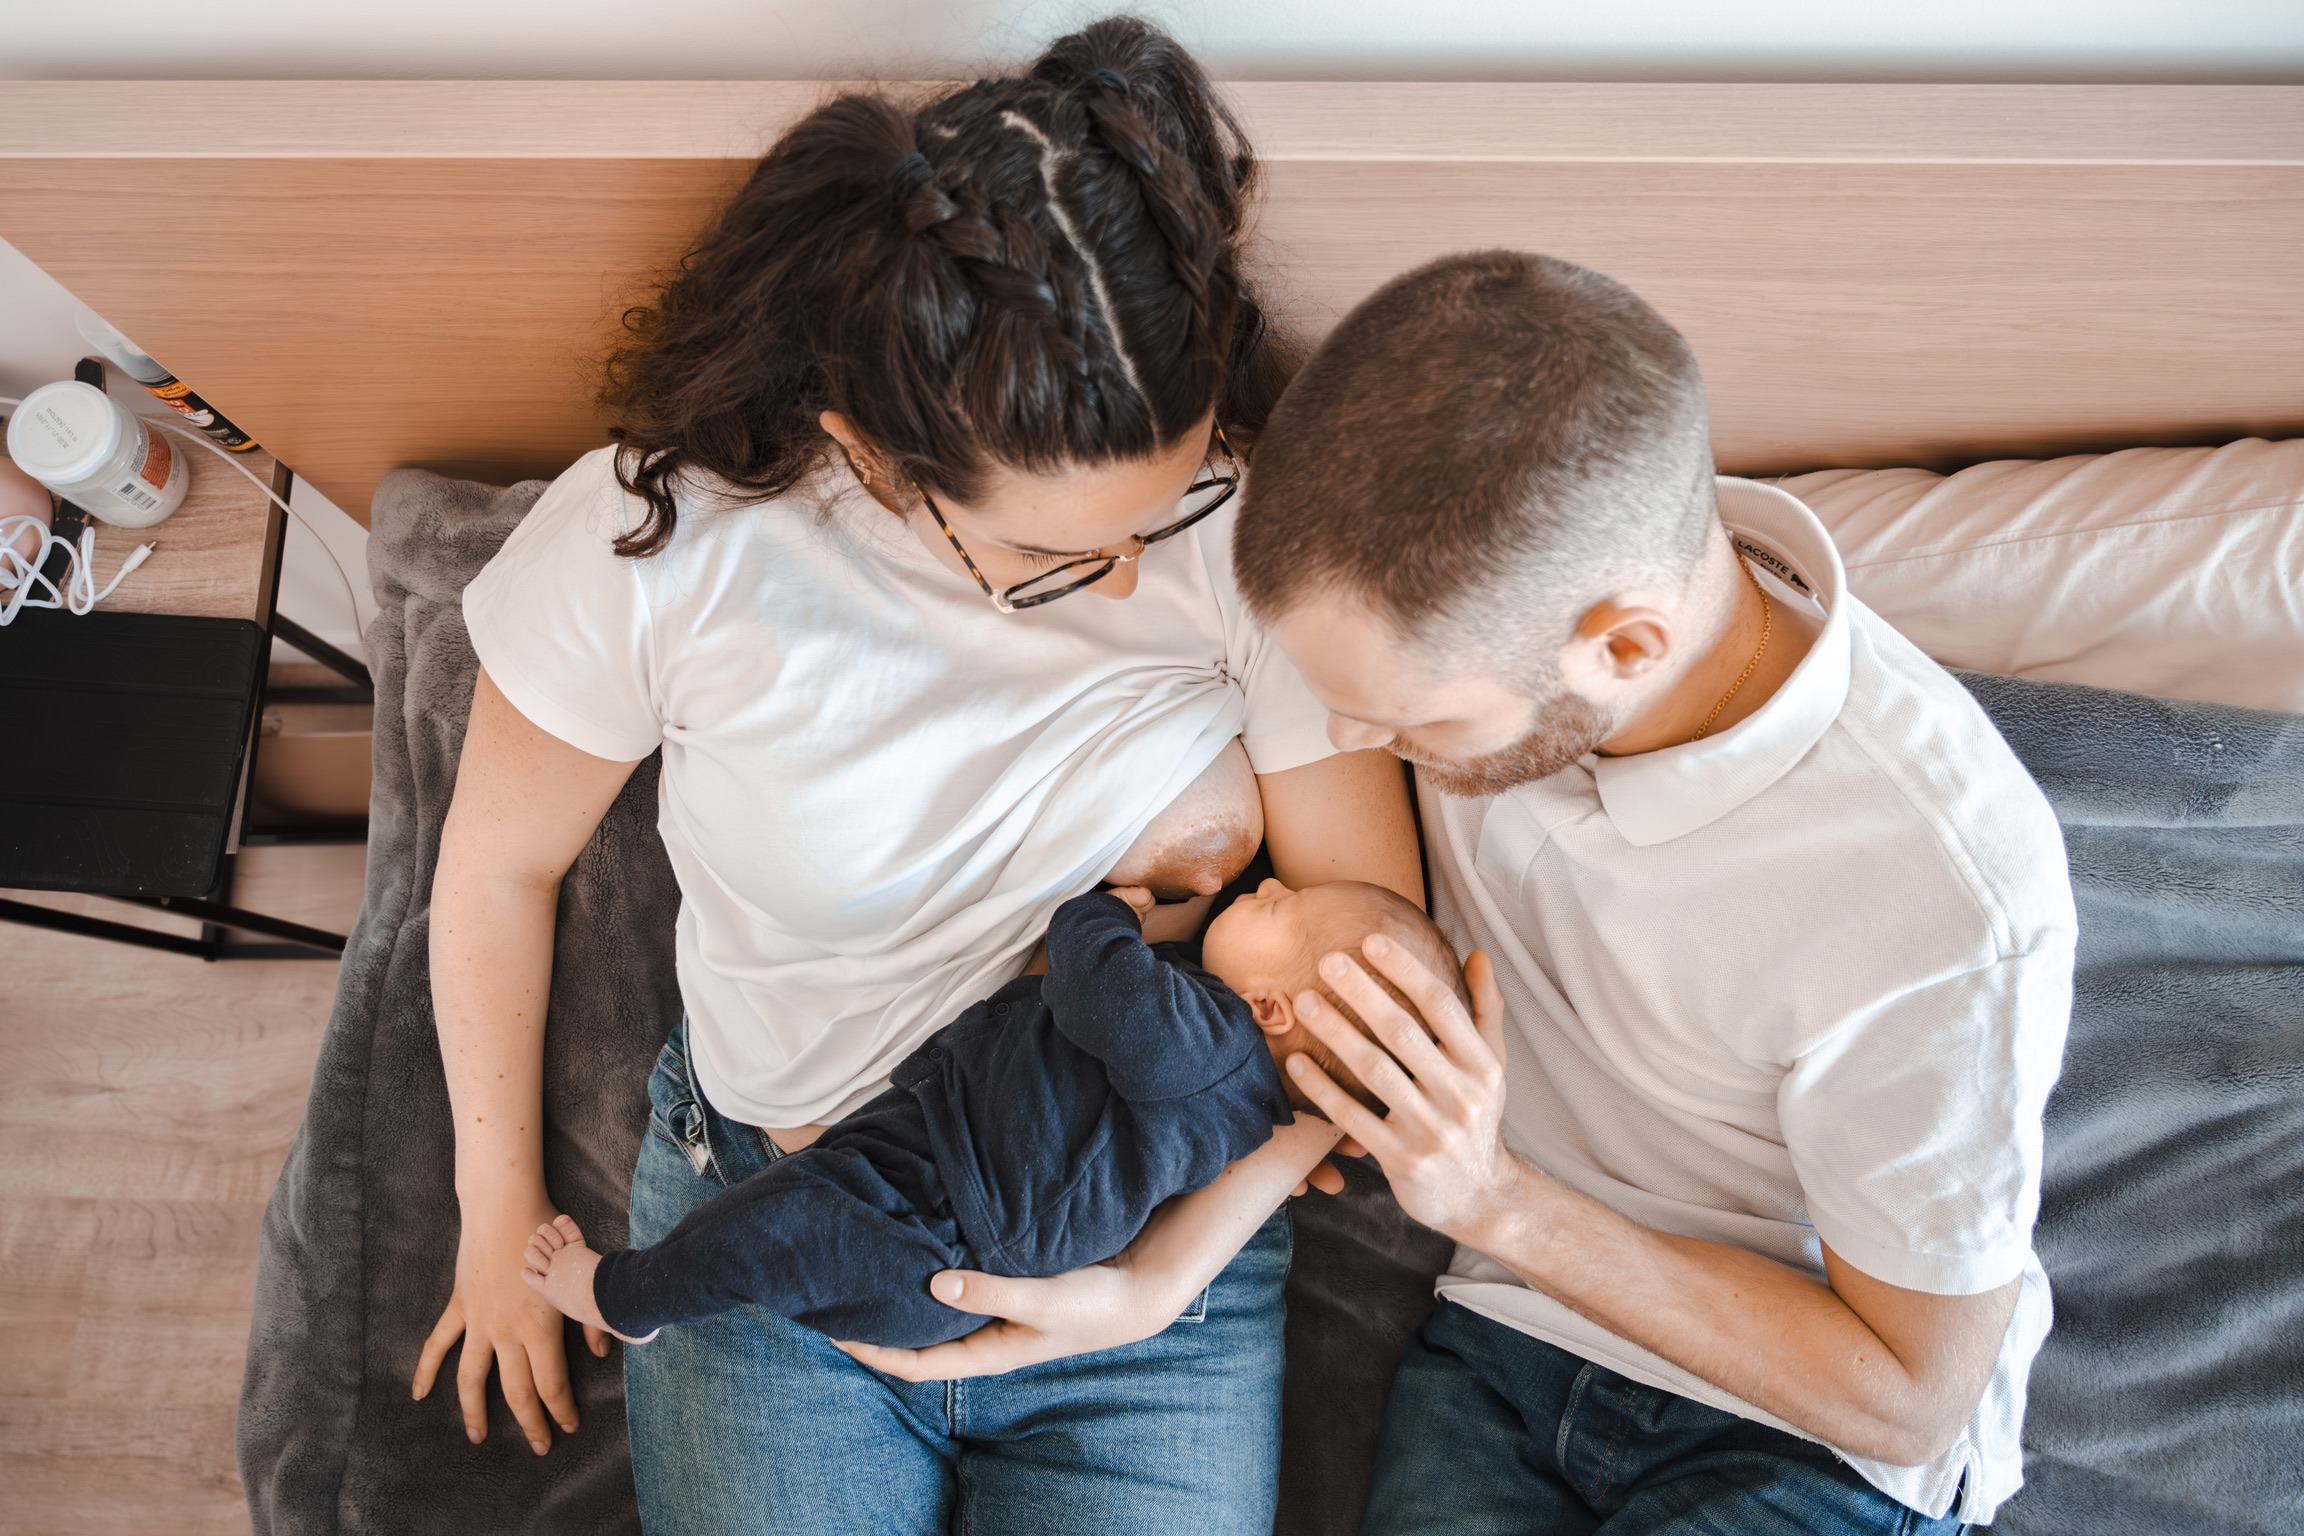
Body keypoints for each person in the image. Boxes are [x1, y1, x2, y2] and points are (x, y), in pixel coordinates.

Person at [409, 18, 1421, 1535]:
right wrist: (498, 1217)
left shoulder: (1261, 538)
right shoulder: (665, 546)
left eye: (1174, 500)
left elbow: (1367, 957)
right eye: (1062, 555)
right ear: (875, 458)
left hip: (1150, 1238)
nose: (1140, 582)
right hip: (779, 1215)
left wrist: (1163, 1278)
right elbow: (497, 866)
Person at [1218, 250, 2077, 1531]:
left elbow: (1907, 1395)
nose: (1352, 747)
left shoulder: (1943, 898)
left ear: (1625, 647)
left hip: (1796, 1426)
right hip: (1507, 1333)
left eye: (1410, 723)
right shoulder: (1505, 600)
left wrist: (1496, 1200)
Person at [516, 873, 1461, 1349]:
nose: (1269, 884)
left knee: (770, 1232)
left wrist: (1104, 911)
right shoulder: (1231, 1089)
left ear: (1272, 1011)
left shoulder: (1201, 1043)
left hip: (942, 1223)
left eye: (1282, 910)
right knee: (789, 1226)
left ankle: (624, 1298)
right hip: (950, 1201)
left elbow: (1096, 988)